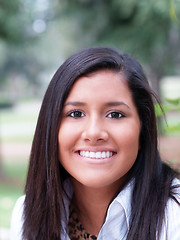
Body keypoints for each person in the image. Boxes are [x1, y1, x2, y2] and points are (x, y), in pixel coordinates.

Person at [10, 47, 180, 240]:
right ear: (51, 128)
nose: (93, 133)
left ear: (143, 131)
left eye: (115, 114)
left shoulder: (174, 218)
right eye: (76, 113)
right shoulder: (26, 215)